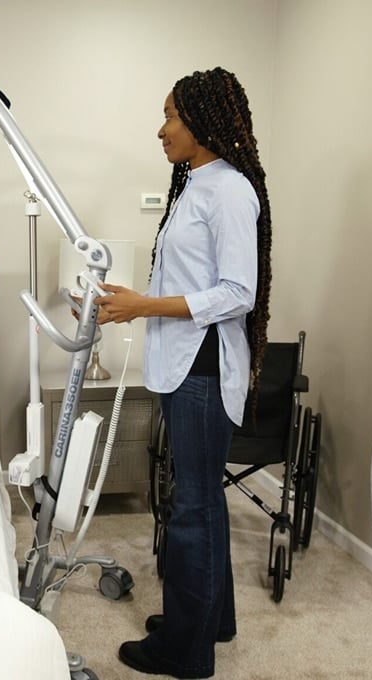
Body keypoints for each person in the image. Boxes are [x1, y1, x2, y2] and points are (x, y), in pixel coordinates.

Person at [95, 67, 272, 677]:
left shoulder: (229, 191)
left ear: (200, 119)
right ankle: (209, 622)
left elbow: (237, 293)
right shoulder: (194, 187)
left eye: (170, 115)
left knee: (193, 505)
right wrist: (131, 301)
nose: (161, 129)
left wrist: (143, 306)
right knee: (202, 499)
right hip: (185, 364)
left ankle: (185, 651)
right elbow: (188, 280)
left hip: (203, 367)